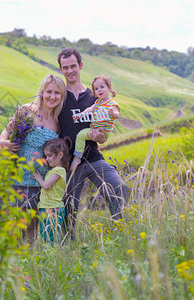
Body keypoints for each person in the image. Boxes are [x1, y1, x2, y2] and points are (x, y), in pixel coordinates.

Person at [57, 48, 128, 239]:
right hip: (70, 164)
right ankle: (68, 246)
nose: (70, 70)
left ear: (80, 66)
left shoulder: (95, 97)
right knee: (68, 204)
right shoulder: (59, 97)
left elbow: (104, 134)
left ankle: (120, 236)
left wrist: (100, 137)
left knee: (120, 188)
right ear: (61, 69)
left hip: (94, 158)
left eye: (73, 66)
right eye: (65, 67)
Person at [0, 74, 67, 244]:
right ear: (42, 91)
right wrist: (4, 142)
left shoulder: (59, 122)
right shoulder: (27, 110)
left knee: (33, 230)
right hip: (18, 178)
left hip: (41, 183)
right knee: (14, 227)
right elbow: (6, 131)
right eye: (49, 91)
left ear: (62, 96)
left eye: (57, 93)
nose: (52, 96)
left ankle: (27, 266)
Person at [70, 75, 119, 171]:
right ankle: (77, 158)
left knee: (81, 136)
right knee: (80, 135)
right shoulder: (98, 102)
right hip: (93, 129)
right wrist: (80, 115)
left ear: (109, 88)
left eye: (102, 87)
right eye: (96, 89)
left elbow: (117, 114)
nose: (99, 90)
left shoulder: (112, 103)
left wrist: (112, 113)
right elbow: (90, 109)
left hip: (103, 131)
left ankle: (77, 158)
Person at [32, 137, 71, 245]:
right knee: (44, 234)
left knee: (52, 235)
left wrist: (39, 179)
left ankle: (53, 255)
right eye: (46, 156)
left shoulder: (59, 170)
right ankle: (48, 255)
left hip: (53, 208)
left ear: (60, 155)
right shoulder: (53, 170)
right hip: (45, 207)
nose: (47, 159)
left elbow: (47, 186)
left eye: (49, 155)